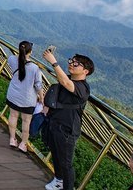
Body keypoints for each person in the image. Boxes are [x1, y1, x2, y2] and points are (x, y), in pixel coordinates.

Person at [42, 50, 94, 190]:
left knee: (66, 163)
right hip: (55, 123)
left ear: (86, 71)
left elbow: (65, 82)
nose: (72, 64)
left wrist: (54, 62)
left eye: (77, 64)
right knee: (56, 155)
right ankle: (59, 180)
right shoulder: (69, 79)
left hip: (67, 129)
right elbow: (63, 80)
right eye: (71, 61)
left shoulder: (83, 87)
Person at [6, 41, 43, 153]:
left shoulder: (12, 59)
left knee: (13, 116)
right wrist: (41, 97)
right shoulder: (34, 68)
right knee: (26, 121)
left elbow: (16, 60)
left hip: (13, 95)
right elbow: (38, 85)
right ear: (30, 52)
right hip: (27, 99)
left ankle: (12, 139)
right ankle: (23, 144)